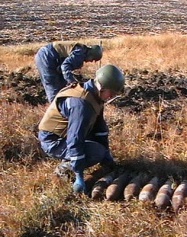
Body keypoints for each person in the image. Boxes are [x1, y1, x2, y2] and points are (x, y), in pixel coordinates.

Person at [38, 64, 125, 193]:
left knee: (100, 150)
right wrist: (79, 174)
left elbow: (100, 128)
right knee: (96, 153)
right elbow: (75, 138)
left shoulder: (95, 96)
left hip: (66, 135)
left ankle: (73, 160)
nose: (111, 96)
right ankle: (65, 169)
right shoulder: (81, 104)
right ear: (102, 87)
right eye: (111, 93)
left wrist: (107, 156)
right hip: (53, 140)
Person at [35, 41, 103, 103]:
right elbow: (65, 66)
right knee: (54, 87)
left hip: (49, 56)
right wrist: (72, 81)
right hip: (47, 56)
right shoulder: (80, 53)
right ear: (91, 54)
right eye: (93, 59)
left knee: (63, 88)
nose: (91, 61)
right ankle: (56, 110)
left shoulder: (81, 51)